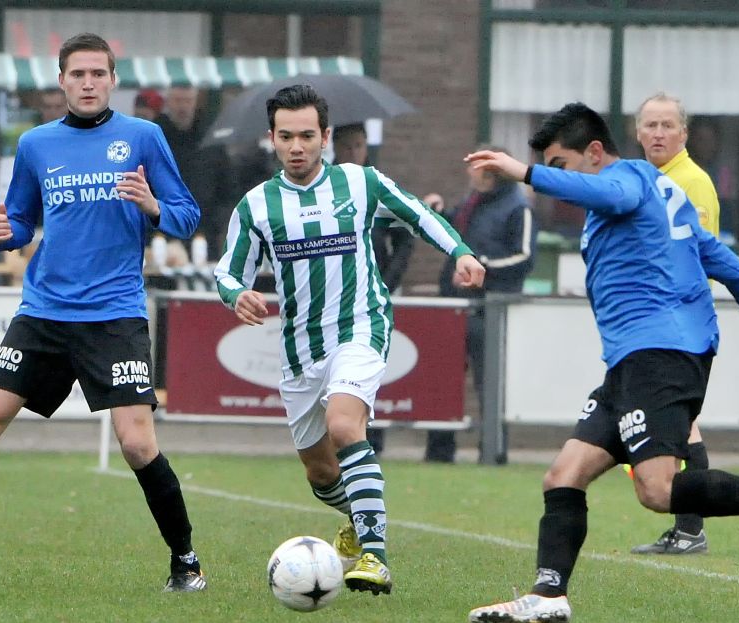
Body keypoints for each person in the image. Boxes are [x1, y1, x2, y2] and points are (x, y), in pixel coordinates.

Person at [464, 102, 739, 623]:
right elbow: (717, 255)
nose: (555, 179)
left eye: (562, 165)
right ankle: (548, 596)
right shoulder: (663, 195)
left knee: (657, 490)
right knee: (563, 476)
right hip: (633, 360)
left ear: (595, 153)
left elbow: (612, 192)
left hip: (661, 353)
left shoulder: (628, 177)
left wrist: (524, 171)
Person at [0, 33, 208, 593]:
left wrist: (151, 205)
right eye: (78, 74)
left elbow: (186, 217)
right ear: (62, 82)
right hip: (45, 310)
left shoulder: (143, 137)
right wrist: (6, 233)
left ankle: (186, 562)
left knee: (138, 443)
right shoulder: (36, 145)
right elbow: (22, 220)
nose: (89, 82)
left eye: (99, 73)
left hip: (113, 314)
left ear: (113, 80)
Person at [214, 84, 485, 596]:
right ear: (272, 138)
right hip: (298, 348)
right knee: (320, 473)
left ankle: (375, 558)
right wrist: (236, 295)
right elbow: (228, 271)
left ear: (327, 137)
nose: (298, 146)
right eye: (287, 136)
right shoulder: (257, 205)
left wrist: (463, 253)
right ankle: (361, 517)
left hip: (361, 326)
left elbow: (418, 214)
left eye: (308, 136)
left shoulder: (360, 183)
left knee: (345, 424)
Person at [629, 92, 719, 555]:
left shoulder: (691, 181)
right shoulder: (647, 178)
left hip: (678, 324)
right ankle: (688, 528)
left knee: (682, 427)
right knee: (683, 427)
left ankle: (690, 529)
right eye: (651, 125)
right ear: (637, 132)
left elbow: (695, 257)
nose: (659, 133)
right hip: (652, 323)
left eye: (668, 125)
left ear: (683, 133)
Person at [423, 146, 536, 463]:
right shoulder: (471, 204)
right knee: (443, 380)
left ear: (490, 172)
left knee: (489, 385)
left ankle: (493, 451)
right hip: (454, 307)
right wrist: (439, 214)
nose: (468, 172)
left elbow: (525, 257)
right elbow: (458, 240)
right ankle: (439, 451)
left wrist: (482, 268)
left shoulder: (517, 208)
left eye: (474, 166)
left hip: (489, 310)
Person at [331, 122, 414, 456]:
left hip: (369, 303)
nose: (354, 152)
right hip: (331, 300)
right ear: (333, 146)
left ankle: (369, 440)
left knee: (363, 371)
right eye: (348, 145)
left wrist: (386, 282)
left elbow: (406, 236)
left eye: (359, 145)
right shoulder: (321, 188)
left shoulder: (374, 188)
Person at [157, 84, 237, 261]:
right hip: (163, 232)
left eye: (187, 101)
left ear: (195, 102)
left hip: (205, 232)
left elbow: (227, 187)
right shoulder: (155, 138)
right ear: (168, 102)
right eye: (177, 100)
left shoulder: (210, 140)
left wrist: (218, 224)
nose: (183, 107)